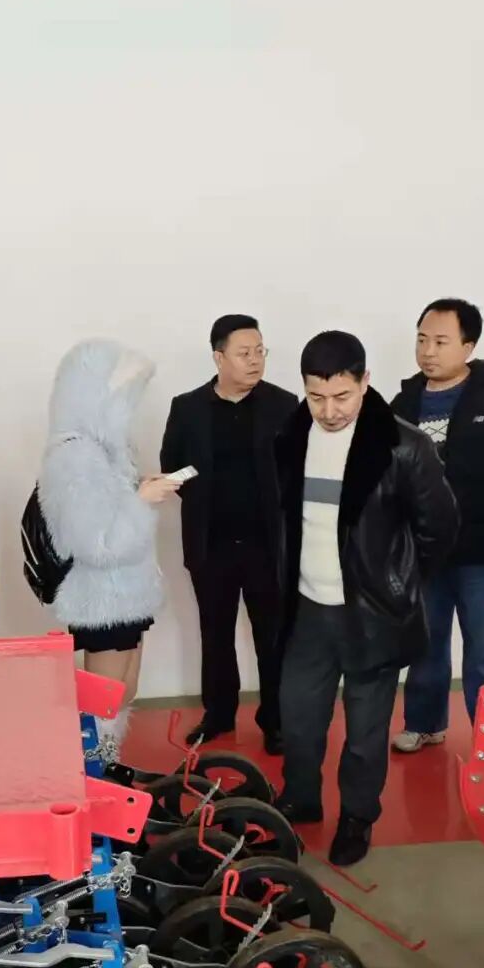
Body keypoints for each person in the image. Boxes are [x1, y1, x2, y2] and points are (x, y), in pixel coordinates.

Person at [277, 331, 457, 866]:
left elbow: (440, 527)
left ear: (365, 383)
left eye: (342, 396)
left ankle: (357, 816)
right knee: (298, 719)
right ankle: (301, 799)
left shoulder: (403, 446)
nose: (329, 411)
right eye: (316, 397)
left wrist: (397, 582)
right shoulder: (290, 436)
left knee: (365, 732)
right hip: (308, 610)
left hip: (372, 614)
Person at [389, 298, 484, 747]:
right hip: (423, 553)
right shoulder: (404, 402)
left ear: (469, 346)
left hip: (483, 553)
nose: (428, 351)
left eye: (440, 342)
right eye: (422, 340)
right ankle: (424, 723)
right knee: (424, 644)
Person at [160, 316, 296, 754]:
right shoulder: (188, 408)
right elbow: (173, 467)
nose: (255, 360)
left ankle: (276, 720)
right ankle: (218, 714)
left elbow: (296, 468)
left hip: (267, 546)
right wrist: (204, 501)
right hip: (211, 544)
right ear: (219, 357)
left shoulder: (283, 404)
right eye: (244, 353)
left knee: (272, 637)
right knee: (215, 635)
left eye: (260, 351)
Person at [40, 340, 178, 757]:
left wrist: (137, 490)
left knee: (121, 691)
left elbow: (108, 513)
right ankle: (94, 773)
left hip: (126, 594)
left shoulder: (105, 450)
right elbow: (95, 543)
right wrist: (142, 501)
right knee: (103, 701)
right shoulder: (75, 456)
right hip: (103, 599)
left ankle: (106, 767)